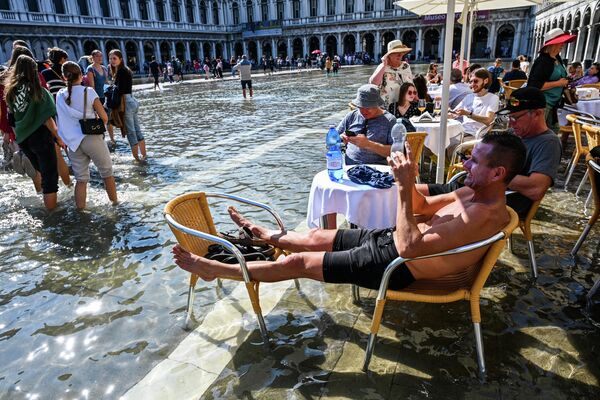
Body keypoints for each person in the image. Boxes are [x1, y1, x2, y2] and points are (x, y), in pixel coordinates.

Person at [172, 133, 526, 291]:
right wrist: (409, 178)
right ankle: (265, 234)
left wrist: (403, 188)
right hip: (392, 242)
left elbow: (410, 249)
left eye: (474, 160)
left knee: (297, 264)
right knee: (314, 237)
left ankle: (213, 269)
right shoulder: (469, 190)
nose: (465, 162)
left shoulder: (483, 215)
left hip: (398, 266)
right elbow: (421, 208)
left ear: (498, 174)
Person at [420, 87, 561, 219]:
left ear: (537, 113)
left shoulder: (548, 143)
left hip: (494, 201)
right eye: (509, 118)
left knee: (419, 206)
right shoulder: (517, 134)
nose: (511, 124)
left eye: (515, 118)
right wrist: (479, 162)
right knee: (416, 192)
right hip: (478, 190)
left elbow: (536, 188)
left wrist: (486, 172)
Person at [4, 55, 65, 210]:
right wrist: (59, 138)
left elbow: (11, 120)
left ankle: (49, 206)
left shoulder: (10, 92)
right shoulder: (39, 90)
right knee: (50, 179)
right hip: (41, 138)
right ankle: (52, 215)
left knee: (44, 174)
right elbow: (48, 119)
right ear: (34, 71)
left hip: (24, 140)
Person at [55, 61, 118, 209]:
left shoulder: (59, 95)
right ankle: (115, 204)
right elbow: (104, 117)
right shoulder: (88, 91)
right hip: (91, 138)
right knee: (107, 173)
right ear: (81, 75)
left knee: (81, 180)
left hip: (73, 143)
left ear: (64, 77)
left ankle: (81, 211)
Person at [527, 28, 576, 133]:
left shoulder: (557, 58)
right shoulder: (542, 61)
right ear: (552, 44)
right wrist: (559, 83)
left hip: (552, 104)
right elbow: (535, 85)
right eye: (560, 42)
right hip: (541, 104)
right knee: (536, 133)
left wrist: (566, 82)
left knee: (553, 131)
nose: (563, 44)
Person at [337, 84, 396, 165]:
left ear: (377, 105)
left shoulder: (389, 121)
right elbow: (332, 138)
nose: (363, 111)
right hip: (349, 166)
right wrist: (340, 139)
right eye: (361, 107)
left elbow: (396, 152)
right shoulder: (352, 115)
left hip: (376, 169)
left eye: (368, 108)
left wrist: (368, 144)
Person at [108, 49, 147, 162]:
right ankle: (143, 156)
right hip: (132, 100)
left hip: (126, 103)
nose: (112, 61)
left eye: (114, 58)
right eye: (110, 58)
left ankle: (137, 160)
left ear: (120, 59)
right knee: (137, 130)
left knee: (131, 132)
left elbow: (120, 91)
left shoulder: (120, 71)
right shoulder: (126, 70)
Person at [450, 68, 499, 137]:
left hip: (476, 136)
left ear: (486, 81)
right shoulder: (469, 97)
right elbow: (454, 113)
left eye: (475, 81)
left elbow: (488, 120)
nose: (472, 84)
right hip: (461, 132)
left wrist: (468, 114)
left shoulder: (493, 98)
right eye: (471, 81)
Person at [369, 40, 413, 110]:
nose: (399, 55)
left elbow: (411, 85)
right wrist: (384, 65)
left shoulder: (406, 66)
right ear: (389, 55)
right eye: (396, 52)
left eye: (401, 52)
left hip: (404, 107)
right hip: (386, 108)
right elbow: (373, 84)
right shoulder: (382, 67)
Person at [85, 50, 115, 145]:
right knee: (100, 119)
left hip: (106, 96)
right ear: (93, 57)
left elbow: (106, 82)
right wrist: (93, 100)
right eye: (97, 56)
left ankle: (112, 139)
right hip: (97, 98)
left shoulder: (104, 68)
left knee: (109, 118)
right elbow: (92, 86)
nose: (100, 58)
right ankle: (101, 139)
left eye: (101, 56)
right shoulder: (90, 69)